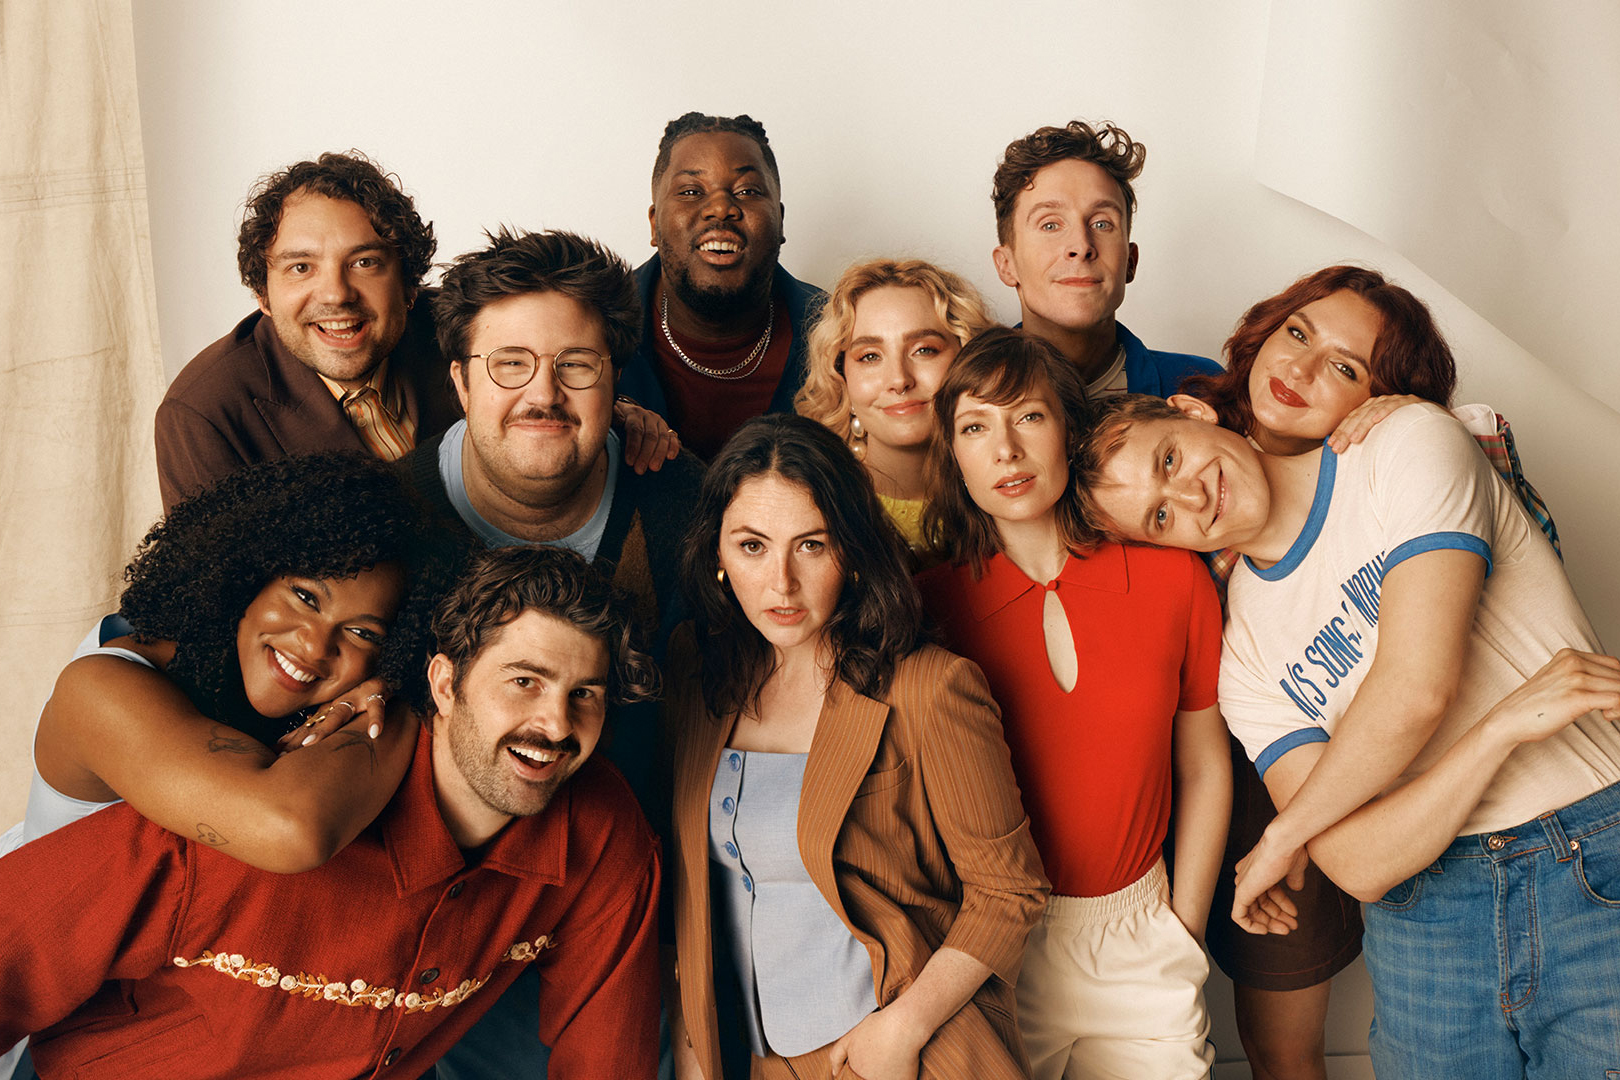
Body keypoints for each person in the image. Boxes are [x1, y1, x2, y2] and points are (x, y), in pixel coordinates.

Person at [1073, 368, 1620, 1075]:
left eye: (1168, 459)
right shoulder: (1240, 651)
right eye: (1159, 517)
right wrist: (1501, 728)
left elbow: (1419, 686)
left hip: (1588, 852)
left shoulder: (1399, 444)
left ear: (1190, 411)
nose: (1190, 497)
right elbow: (1359, 865)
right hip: (1424, 913)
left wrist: (1282, 837)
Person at [0, 545, 662, 1078]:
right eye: (525, 681)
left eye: (586, 694)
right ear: (444, 684)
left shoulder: (599, 829)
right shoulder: (251, 823)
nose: (554, 723)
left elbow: (608, 1060)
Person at [1170, 266, 1562, 1080]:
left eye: (1348, 369)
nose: (1303, 368)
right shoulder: (1186, 433)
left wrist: (1416, 416)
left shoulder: (1400, 444)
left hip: (1422, 789)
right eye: (1298, 334)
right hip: (1233, 742)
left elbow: (1426, 678)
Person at [667, 414, 1048, 1080]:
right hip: (755, 1058)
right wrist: (696, 1048)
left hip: (901, 1049)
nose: (781, 582)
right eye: (752, 546)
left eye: (811, 545)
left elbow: (1009, 892)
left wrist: (904, 1027)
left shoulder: (931, 688)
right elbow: (696, 893)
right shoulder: (697, 680)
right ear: (717, 557)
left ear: (853, 551)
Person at [916, 329, 1228, 1079]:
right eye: (975, 427)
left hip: (1144, 929)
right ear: (953, 456)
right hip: (999, 944)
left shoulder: (1172, 579)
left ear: (1068, 429)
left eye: (1028, 417)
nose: (1006, 450)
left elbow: (1206, 766)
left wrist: (1183, 926)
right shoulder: (930, 608)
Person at [154, 152, 463, 509]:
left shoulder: (463, 332)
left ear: (409, 284)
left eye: (364, 262)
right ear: (263, 295)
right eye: (301, 267)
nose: (336, 293)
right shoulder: (203, 414)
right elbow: (214, 565)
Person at [625, 112, 826, 459]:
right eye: (690, 191)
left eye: (747, 191)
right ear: (655, 224)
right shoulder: (592, 326)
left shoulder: (842, 333)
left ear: (779, 220)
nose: (720, 208)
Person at [990, 120, 1222, 398]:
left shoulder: (1203, 388)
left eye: (1102, 224)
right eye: (1050, 225)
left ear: (1130, 262)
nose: (1081, 246)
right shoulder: (961, 395)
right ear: (1007, 265)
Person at [795, 257, 994, 561]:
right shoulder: (812, 505)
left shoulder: (1013, 485)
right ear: (841, 376)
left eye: (924, 350)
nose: (899, 380)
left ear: (967, 358)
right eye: (870, 357)